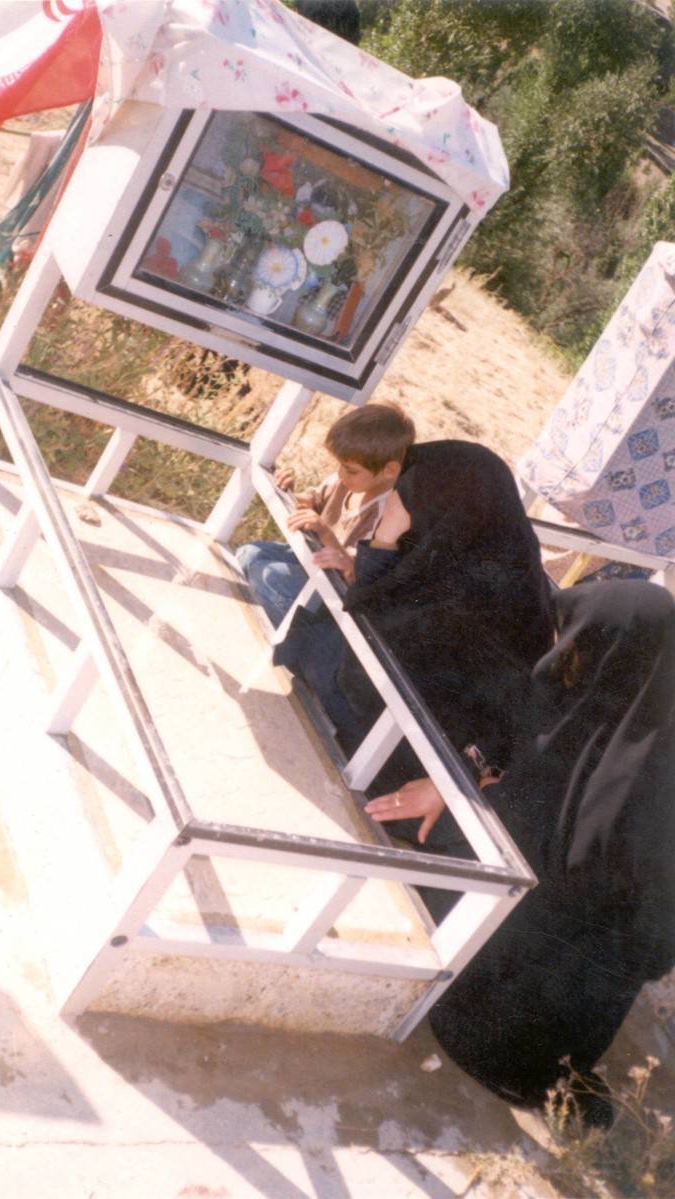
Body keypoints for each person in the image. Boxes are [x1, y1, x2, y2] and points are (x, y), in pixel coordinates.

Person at [366, 581, 675, 1125]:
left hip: (495, 1010)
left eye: (581, 641)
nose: (567, 652)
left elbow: (557, 843)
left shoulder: (614, 753)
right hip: (568, 1015)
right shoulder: (641, 729)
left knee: (405, 850)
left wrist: (481, 791)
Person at [288, 440, 554, 804]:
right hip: (418, 710)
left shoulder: (481, 583)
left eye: (411, 491)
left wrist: (385, 536)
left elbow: (370, 618)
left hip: (418, 745)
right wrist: (379, 546)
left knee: (300, 621)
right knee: (291, 599)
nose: (400, 498)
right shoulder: (490, 547)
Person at [236, 403, 415, 627]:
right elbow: (314, 500)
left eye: (350, 470)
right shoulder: (347, 481)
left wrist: (324, 532)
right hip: (316, 562)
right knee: (248, 553)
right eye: (340, 465)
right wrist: (288, 491)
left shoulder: (388, 514)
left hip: (337, 594)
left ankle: (301, 637)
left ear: (389, 470)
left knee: (268, 577)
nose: (341, 474)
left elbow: (356, 574)